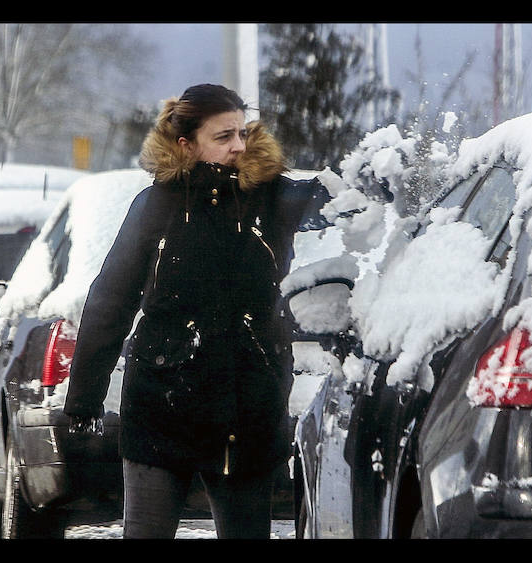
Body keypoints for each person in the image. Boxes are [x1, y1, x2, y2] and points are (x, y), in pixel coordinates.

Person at [62, 84, 331, 539]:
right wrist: (86, 396)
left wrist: (372, 185)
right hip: (162, 400)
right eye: (223, 137)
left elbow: (344, 208)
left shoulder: (274, 199)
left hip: (247, 402)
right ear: (186, 144)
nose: (239, 147)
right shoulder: (156, 206)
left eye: (242, 133)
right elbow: (112, 298)